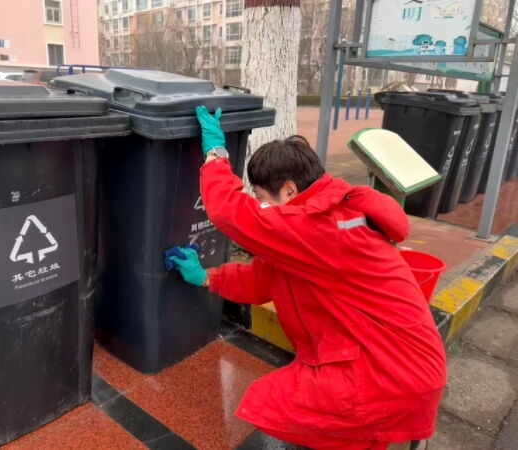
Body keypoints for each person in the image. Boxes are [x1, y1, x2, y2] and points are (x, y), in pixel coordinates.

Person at [165, 106, 447, 450]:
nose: (263, 209)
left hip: (390, 374)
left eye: (263, 200)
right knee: (346, 428)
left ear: (289, 190)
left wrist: (216, 154)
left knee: (271, 402)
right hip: (401, 367)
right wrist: (206, 278)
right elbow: (264, 280)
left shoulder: (323, 226)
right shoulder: (326, 220)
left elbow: (229, 211)